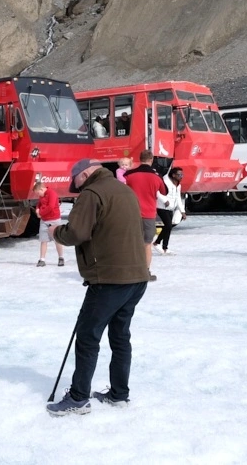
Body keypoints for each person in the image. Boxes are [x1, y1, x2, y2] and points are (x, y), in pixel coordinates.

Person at [46, 159, 150, 416]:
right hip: (136, 277)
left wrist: (56, 232)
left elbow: (76, 233)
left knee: (88, 337)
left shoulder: (92, 194)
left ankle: (79, 398)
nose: (77, 188)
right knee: (120, 336)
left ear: (84, 175)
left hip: (109, 279)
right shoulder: (123, 190)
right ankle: (119, 394)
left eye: (77, 182)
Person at [123, 150, 167, 275]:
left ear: (139, 158)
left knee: (131, 243)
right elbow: (164, 191)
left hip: (131, 214)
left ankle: (130, 271)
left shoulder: (129, 174)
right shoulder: (156, 176)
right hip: (148, 214)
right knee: (147, 244)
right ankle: (145, 272)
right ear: (151, 160)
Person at [153, 167, 186, 255]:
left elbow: (178, 198)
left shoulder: (178, 185)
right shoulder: (164, 182)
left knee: (168, 228)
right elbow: (157, 192)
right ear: (173, 175)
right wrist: (164, 200)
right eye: (179, 175)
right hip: (162, 207)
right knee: (168, 225)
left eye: (182, 175)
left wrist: (182, 211)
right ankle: (157, 243)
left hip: (171, 208)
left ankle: (165, 247)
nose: (181, 176)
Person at [32, 181, 64, 267]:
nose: (38, 195)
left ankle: (61, 257)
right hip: (44, 220)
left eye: (38, 193)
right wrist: (37, 209)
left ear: (42, 189)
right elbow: (39, 204)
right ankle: (42, 259)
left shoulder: (52, 194)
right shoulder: (41, 196)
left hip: (54, 219)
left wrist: (40, 213)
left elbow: (51, 207)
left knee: (57, 239)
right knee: (43, 240)